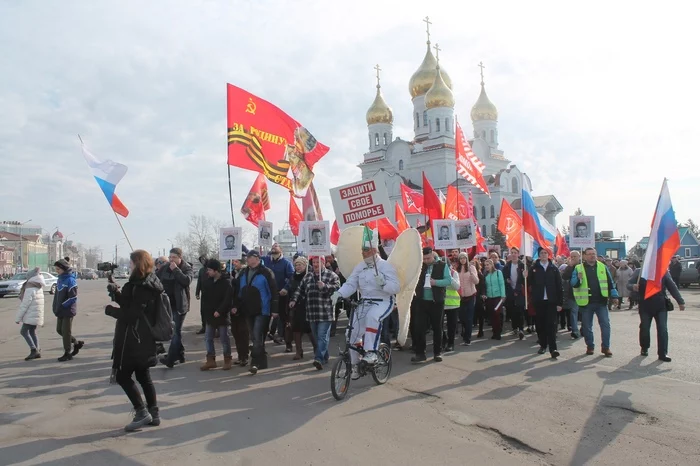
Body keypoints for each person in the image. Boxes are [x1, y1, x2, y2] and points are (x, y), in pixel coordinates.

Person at [105, 250, 163, 432]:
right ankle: (154, 414)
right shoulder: (148, 283)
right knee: (143, 376)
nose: (129, 266)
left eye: (130, 263)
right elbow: (131, 305)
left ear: (137, 264)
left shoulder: (140, 286)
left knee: (123, 376)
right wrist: (116, 292)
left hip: (133, 338)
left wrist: (110, 310)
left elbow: (131, 314)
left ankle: (141, 412)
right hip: (144, 337)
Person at [334, 237, 400, 377]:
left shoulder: (386, 266)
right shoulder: (360, 266)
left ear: (375, 250)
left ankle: (371, 352)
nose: (363, 253)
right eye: (362, 250)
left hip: (383, 301)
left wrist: (383, 283)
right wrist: (338, 293)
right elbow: (351, 283)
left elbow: (396, 287)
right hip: (365, 301)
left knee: (372, 318)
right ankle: (355, 365)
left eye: (366, 250)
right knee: (351, 332)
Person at [290, 257, 340, 370]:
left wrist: (325, 286)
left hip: (325, 312)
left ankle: (318, 359)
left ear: (323, 263)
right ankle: (325, 356)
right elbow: (300, 289)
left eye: (318, 262)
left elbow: (338, 288)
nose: (316, 264)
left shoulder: (331, 275)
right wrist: (294, 300)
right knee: (318, 337)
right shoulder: (308, 276)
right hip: (311, 312)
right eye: (314, 262)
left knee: (322, 336)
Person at [233, 250, 278, 375]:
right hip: (247, 309)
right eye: (247, 257)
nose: (247, 259)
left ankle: (255, 362)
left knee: (257, 335)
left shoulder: (266, 272)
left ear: (257, 258)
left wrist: (275, 309)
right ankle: (262, 362)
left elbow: (274, 291)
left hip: (262, 309)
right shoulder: (243, 272)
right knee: (253, 336)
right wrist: (236, 305)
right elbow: (239, 291)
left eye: (250, 257)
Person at [628, 268, 685, 362]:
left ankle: (663, 353)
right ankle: (644, 347)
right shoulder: (640, 271)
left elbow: (672, 287)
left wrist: (680, 301)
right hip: (645, 305)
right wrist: (633, 286)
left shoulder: (663, 270)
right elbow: (628, 284)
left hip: (660, 306)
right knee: (645, 328)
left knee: (662, 329)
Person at [571, 247, 619, 357]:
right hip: (586, 303)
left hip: (601, 302)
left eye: (594, 254)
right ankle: (590, 346)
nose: (592, 256)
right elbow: (573, 284)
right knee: (587, 326)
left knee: (605, 325)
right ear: (585, 256)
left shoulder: (602, 266)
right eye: (589, 254)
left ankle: (606, 347)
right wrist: (578, 279)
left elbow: (610, 282)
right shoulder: (579, 268)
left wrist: (614, 295)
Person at [411, 247, 451, 362]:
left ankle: (437, 352)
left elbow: (448, 280)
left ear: (433, 255)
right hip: (421, 300)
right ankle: (420, 353)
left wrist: (436, 282)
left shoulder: (442, 265)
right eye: (424, 259)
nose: (426, 261)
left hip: (436, 301)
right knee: (419, 327)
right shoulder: (421, 266)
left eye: (428, 258)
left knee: (437, 327)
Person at [158, 248, 194, 368]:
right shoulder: (164, 268)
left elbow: (186, 281)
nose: (171, 260)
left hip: (179, 305)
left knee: (175, 331)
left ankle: (171, 359)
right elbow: (155, 278)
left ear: (180, 258)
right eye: (170, 257)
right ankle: (180, 354)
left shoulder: (186, 268)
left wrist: (176, 270)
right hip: (166, 305)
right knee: (174, 331)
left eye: (174, 257)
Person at [525, 248, 563, 358]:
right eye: (541, 253)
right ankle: (542, 345)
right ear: (539, 255)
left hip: (551, 301)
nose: (543, 255)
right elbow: (528, 284)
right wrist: (525, 277)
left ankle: (553, 348)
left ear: (548, 254)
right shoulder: (534, 268)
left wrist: (559, 303)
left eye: (545, 253)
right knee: (540, 324)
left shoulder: (554, 269)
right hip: (539, 301)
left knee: (551, 325)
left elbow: (559, 287)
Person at [198, 260, 233, 371]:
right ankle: (210, 360)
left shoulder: (226, 282)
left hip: (221, 315)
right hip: (210, 315)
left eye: (209, 270)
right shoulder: (207, 282)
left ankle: (227, 359)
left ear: (216, 270)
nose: (207, 272)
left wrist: (220, 311)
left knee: (224, 338)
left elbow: (227, 299)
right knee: (208, 338)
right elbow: (205, 300)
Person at [262, 243, 294, 350]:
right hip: (267, 294)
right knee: (264, 317)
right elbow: (251, 255)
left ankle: (288, 343)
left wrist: (286, 288)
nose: (273, 246)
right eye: (272, 246)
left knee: (284, 318)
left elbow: (292, 277)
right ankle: (260, 346)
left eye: (276, 245)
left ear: (281, 250)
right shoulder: (266, 260)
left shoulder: (286, 263)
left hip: (281, 294)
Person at [284, 256, 317, 360]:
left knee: (310, 329)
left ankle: (317, 349)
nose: (298, 267)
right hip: (296, 306)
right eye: (296, 265)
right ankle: (299, 351)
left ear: (305, 265)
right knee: (296, 329)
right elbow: (288, 287)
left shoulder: (311, 276)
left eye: (300, 265)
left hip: (308, 306)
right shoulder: (293, 277)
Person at [53, 259, 83, 362]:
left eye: (58, 269)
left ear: (63, 269)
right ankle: (76, 342)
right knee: (59, 330)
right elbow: (57, 295)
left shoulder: (70, 280)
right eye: (56, 269)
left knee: (66, 332)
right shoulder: (60, 279)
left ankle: (67, 353)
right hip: (60, 310)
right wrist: (56, 306)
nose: (57, 271)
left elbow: (73, 297)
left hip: (68, 310)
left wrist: (63, 305)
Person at [15, 267, 45, 361]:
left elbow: (25, 304)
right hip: (36, 313)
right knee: (32, 331)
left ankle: (33, 350)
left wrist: (18, 318)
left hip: (31, 314)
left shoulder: (30, 289)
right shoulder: (38, 286)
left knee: (23, 331)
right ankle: (37, 349)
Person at [229, 255, 250, 366]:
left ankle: (244, 356)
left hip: (242, 307)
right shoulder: (233, 273)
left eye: (236, 261)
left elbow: (242, 291)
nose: (234, 263)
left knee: (242, 332)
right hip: (232, 306)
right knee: (235, 331)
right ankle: (240, 355)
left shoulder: (245, 273)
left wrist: (237, 306)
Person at [503, 247, 526, 340]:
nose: (513, 254)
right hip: (510, 291)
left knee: (520, 310)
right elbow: (504, 277)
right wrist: (506, 280)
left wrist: (518, 289)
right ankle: (514, 327)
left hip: (520, 291)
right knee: (512, 310)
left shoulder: (522, 265)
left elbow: (525, 279)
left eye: (515, 253)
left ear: (518, 254)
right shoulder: (507, 265)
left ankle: (521, 329)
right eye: (512, 253)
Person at [456, 252, 479, 346]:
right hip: (460, 297)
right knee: (462, 317)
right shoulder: (457, 269)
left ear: (466, 259)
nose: (462, 260)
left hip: (470, 296)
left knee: (469, 318)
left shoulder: (471, 268)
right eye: (461, 258)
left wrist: (472, 275)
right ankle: (464, 332)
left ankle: (467, 338)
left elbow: (476, 281)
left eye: (464, 258)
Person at [442, 255, 461, 353]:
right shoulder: (437, 273)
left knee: (451, 326)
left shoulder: (454, 273)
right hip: (440, 303)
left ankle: (451, 344)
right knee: (439, 325)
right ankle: (443, 339)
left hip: (453, 304)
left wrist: (449, 276)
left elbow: (457, 287)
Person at [483, 259, 506, 340]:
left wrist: (503, 295)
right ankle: (494, 331)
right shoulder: (485, 275)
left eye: (488, 264)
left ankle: (498, 332)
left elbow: (502, 284)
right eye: (485, 265)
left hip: (498, 296)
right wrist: (484, 295)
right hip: (489, 297)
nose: (486, 266)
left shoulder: (498, 273)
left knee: (497, 314)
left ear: (492, 265)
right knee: (492, 315)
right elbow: (485, 286)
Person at [560, 251, 581, 339]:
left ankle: (584, 328)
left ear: (579, 257)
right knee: (573, 312)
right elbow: (565, 277)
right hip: (573, 294)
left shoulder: (583, 266)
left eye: (575, 256)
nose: (573, 258)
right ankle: (575, 330)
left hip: (584, 293)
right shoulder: (569, 267)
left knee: (583, 313)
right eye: (571, 256)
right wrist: (570, 266)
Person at [194, 255, 210, 335]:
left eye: (204, 259)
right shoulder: (201, 270)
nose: (203, 261)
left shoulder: (211, 269)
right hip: (204, 294)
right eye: (201, 260)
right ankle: (204, 327)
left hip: (212, 294)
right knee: (203, 311)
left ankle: (215, 329)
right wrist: (197, 292)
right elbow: (199, 282)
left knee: (211, 312)